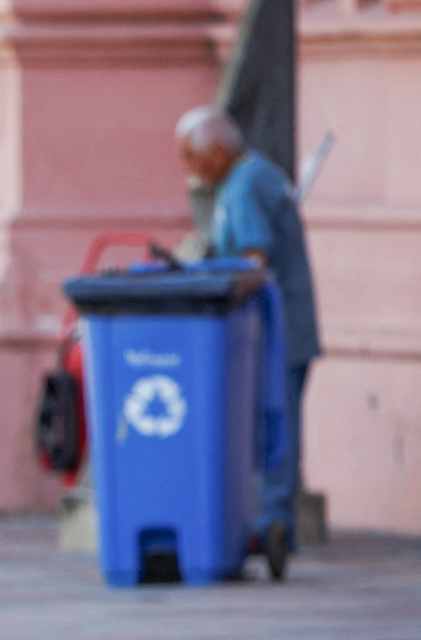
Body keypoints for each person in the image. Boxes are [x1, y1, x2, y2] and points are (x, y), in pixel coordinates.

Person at [175, 105, 320, 554]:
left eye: (192, 157)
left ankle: (272, 521)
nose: (190, 170)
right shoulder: (254, 175)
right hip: (284, 327)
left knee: (274, 426)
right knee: (273, 424)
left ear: (219, 150)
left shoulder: (244, 186)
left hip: (276, 332)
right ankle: (269, 519)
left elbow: (254, 258)